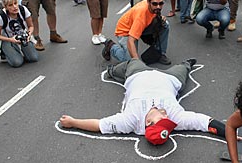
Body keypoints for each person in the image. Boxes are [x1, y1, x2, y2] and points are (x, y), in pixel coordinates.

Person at [59, 58, 228, 145]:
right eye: (167, 121)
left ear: (147, 122)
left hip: (137, 74)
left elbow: (99, 125)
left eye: (162, 119)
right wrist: (230, 132)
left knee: (132, 62)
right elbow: (204, 122)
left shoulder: (131, 120)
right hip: (170, 78)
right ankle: (186, 64)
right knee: (183, 68)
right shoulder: (175, 118)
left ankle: (112, 70)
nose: (166, 114)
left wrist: (73, 122)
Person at [102, 0, 171, 65]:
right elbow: (130, 40)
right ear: (148, 2)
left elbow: (153, 14)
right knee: (129, 61)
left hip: (141, 26)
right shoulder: (141, 15)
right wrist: (137, 64)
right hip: (125, 31)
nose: (158, 7)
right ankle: (111, 47)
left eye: (161, 3)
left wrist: (160, 18)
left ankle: (160, 53)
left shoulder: (153, 6)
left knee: (165, 24)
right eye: (155, 4)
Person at [0, 0, 38, 68]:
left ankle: (20, 50)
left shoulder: (23, 9)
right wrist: (11, 40)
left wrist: (28, 35)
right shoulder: (1, 16)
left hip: (22, 35)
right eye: (10, 5)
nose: (14, 7)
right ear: (6, 7)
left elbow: (31, 26)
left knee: (33, 58)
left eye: (15, 3)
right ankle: (5, 51)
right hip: (7, 38)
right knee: (17, 62)